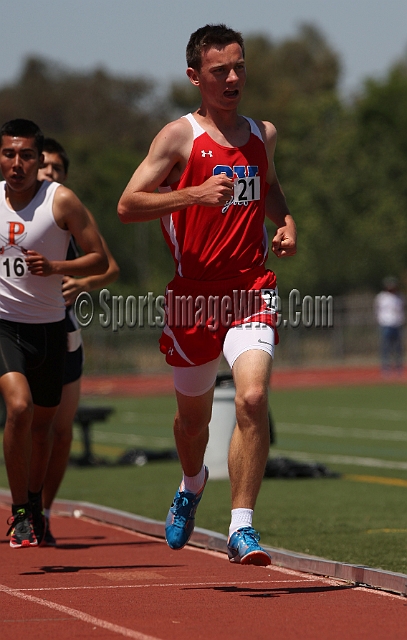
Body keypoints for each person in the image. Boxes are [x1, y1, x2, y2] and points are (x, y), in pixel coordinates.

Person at [118, 24, 296, 566]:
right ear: (195, 76)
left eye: (240, 67)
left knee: (252, 399)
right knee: (192, 422)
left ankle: (241, 526)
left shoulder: (261, 133)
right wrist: (193, 193)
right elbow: (128, 204)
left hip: (249, 288)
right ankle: (191, 483)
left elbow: (266, 186)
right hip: (193, 299)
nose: (234, 77)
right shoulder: (178, 137)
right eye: (220, 70)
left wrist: (286, 221)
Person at [0, 119, 108, 548]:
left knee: (44, 431)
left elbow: (99, 258)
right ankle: (19, 511)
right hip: (4, 324)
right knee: (20, 408)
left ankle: (35, 506)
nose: (17, 163)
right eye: (9, 154)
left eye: (27, 155)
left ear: (39, 159)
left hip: (49, 330)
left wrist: (59, 268)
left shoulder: (60, 201)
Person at [37, 138, 120, 546]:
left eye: (56, 168)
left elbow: (110, 265)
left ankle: (43, 512)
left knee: (62, 431)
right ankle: (24, 505)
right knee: (21, 418)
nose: (49, 172)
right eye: (44, 165)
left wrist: (82, 283)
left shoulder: (68, 216)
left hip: (64, 331)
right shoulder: (13, 213)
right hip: (15, 330)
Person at [374, 276, 405, 374]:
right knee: (386, 347)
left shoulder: (400, 297)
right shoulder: (381, 297)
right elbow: (377, 310)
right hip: (386, 324)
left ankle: (398, 366)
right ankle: (385, 367)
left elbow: (402, 310)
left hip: (397, 324)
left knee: (398, 347)